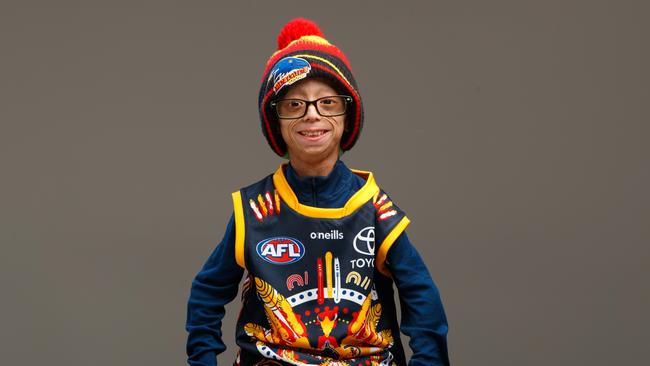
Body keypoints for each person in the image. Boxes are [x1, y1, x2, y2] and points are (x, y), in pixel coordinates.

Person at [186, 18, 449, 366]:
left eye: (328, 102)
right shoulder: (253, 210)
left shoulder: (373, 207)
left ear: (348, 114)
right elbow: (207, 294)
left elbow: (423, 300)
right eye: (295, 104)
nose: (312, 115)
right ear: (275, 121)